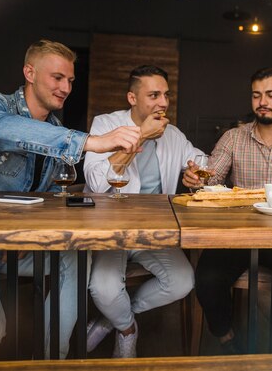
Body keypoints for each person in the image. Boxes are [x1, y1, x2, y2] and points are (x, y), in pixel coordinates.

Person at [0, 40, 141, 363]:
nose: (66, 87)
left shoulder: (56, 129)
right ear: (29, 72)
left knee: (73, 253)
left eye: (70, 80)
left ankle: (51, 358)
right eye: (57, 78)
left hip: (14, 245)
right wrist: (91, 142)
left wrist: (34, 234)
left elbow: (50, 198)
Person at [182, 67, 272, 354]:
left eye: (271, 95)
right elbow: (210, 177)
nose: (263, 101)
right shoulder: (233, 138)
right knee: (207, 280)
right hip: (239, 235)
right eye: (257, 95)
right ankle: (227, 339)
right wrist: (195, 180)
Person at [83, 65, 198, 358]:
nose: (163, 103)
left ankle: (115, 320)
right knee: (104, 289)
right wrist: (141, 137)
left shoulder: (173, 134)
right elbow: (96, 183)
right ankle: (128, 330)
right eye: (154, 95)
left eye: (166, 95)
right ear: (132, 98)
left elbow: (200, 160)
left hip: (155, 231)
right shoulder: (104, 125)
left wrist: (198, 172)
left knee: (182, 281)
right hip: (112, 228)